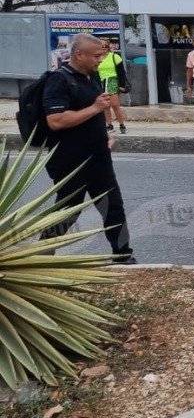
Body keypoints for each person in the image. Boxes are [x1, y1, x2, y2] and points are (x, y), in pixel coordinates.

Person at [39, 33, 135, 264]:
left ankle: (122, 255)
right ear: (79, 54)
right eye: (96, 56)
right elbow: (56, 120)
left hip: (99, 158)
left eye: (102, 55)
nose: (100, 60)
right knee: (68, 211)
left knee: (113, 207)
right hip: (71, 161)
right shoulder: (58, 80)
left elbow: (95, 116)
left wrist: (106, 135)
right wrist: (94, 108)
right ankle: (40, 255)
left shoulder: (91, 77)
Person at [96, 39, 129, 135]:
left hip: (112, 80)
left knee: (115, 105)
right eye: (101, 46)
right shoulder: (96, 58)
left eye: (105, 46)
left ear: (108, 47)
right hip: (100, 82)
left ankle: (122, 124)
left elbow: (121, 72)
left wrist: (122, 85)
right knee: (105, 106)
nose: (103, 48)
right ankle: (109, 125)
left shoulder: (115, 57)